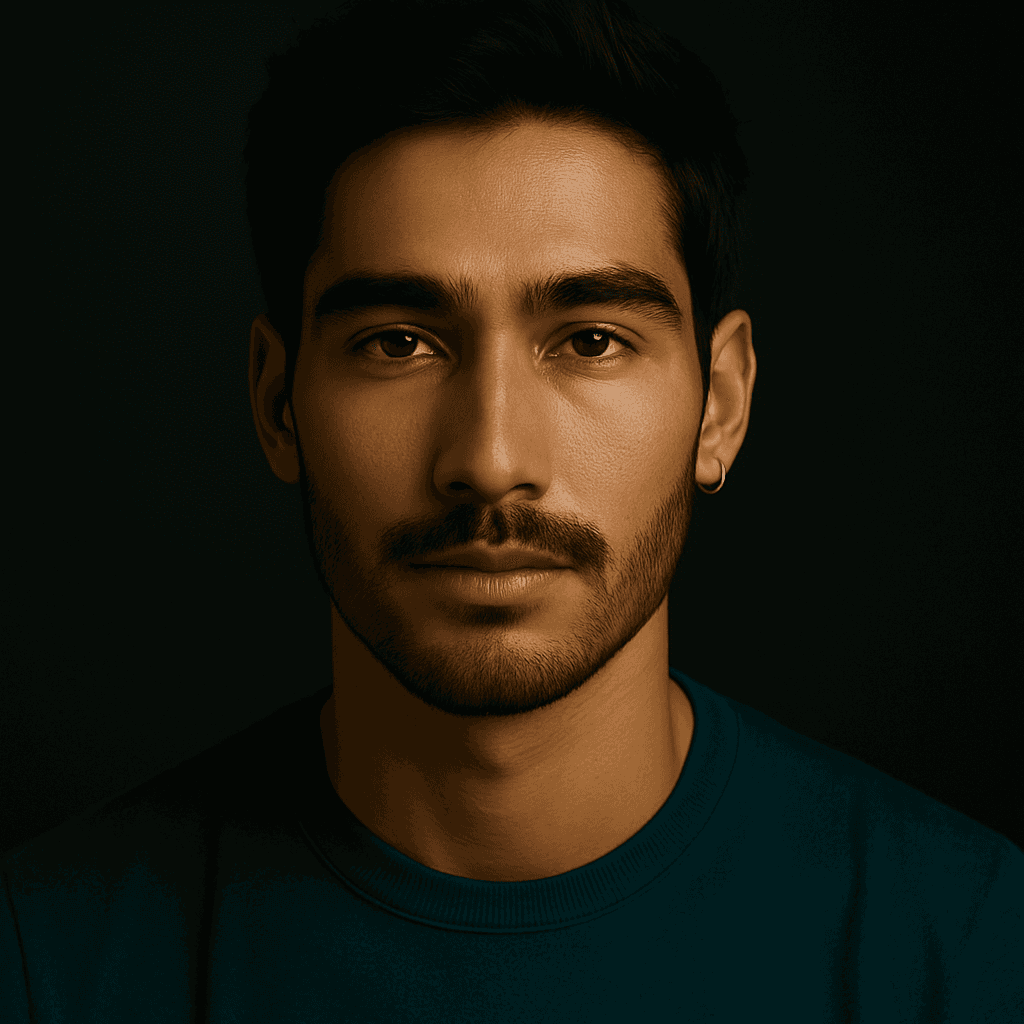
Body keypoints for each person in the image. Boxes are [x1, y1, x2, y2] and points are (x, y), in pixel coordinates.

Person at [3, 0, 1020, 1019]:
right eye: (398, 342)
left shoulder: (970, 950)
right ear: (277, 403)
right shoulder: (46, 961)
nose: (490, 462)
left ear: (720, 404)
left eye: (589, 340)